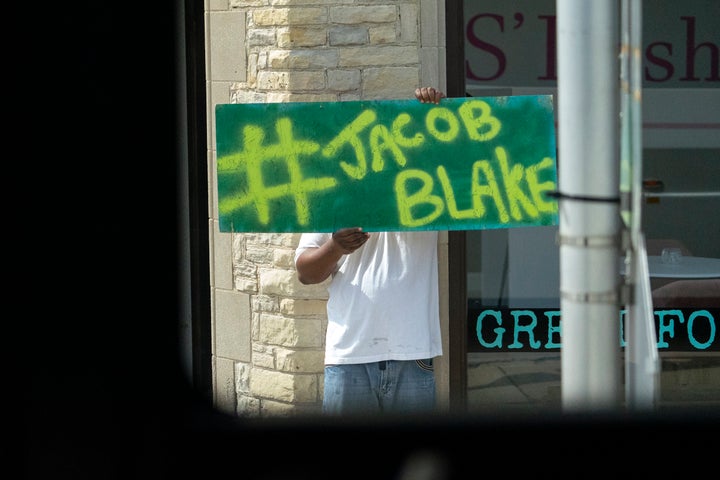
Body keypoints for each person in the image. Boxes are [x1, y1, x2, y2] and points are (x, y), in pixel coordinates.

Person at [294, 86, 446, 415]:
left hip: (412, 351)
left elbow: (467, 154)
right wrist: (335, 247)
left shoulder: (429, 188)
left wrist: (432, 116)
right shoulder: (332, 198)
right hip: (349, 354)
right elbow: (306, 272)